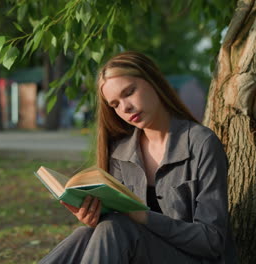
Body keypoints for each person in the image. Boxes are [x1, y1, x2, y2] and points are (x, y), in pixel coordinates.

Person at [38, 51, 237, 263]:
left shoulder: (201, 143)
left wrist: (144, 217)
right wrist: (93, 217)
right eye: (115, 104)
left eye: (129, 92)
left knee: (118, 228)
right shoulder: (120, 152)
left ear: (153, 81)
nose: (125, 108)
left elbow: (212, 241)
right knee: (84, 235)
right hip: (140, 253)